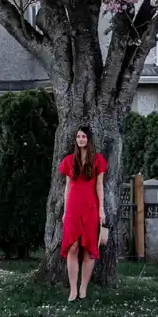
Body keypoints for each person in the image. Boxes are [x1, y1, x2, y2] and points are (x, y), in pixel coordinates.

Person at [58, 126, 107, 302]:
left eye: (83, 136)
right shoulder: (70, 160)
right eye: (78, 136)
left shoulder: (98, 160)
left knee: (88, 249)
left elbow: (100, 185)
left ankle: (83, 289)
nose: (80, 139)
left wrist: (101, 209)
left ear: (89, 139)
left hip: (91, 207)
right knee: (72, 247)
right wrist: (65, 211)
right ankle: (72, 290)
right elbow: (68, 186)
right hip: (73, 207)